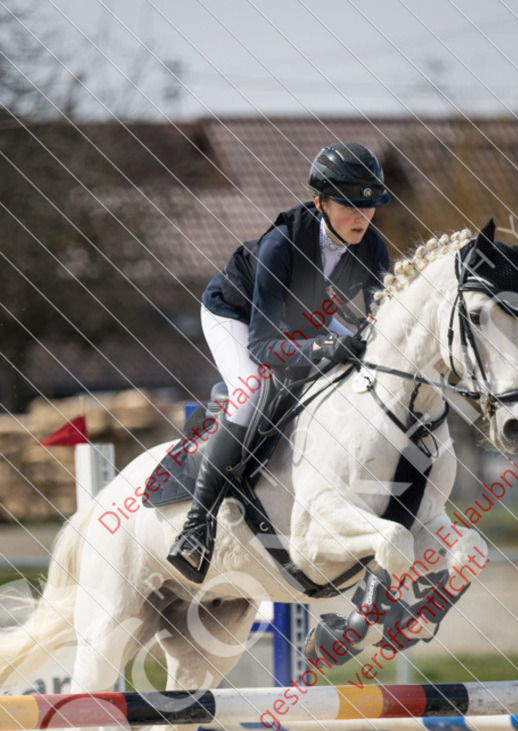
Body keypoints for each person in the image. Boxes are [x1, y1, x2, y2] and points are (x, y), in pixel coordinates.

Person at [167, 141, 391, 582]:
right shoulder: (282, 244)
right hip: (237, 315)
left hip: (305, 321)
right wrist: (327, 349)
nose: (361, 218)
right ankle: (197, 524)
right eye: (348, 206)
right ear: (320, 202)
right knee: (249, 395)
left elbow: (377, 321)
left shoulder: (373, 247)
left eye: (370, 207)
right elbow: (265, 347)